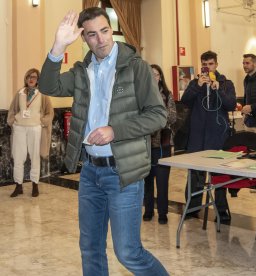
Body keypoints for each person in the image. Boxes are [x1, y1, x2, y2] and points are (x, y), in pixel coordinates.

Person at [38, 8, 168, 275]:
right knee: (90, 247)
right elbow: (48, 87)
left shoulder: (136, 67)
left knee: (128, 252)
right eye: (92, 35)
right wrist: (58, 46)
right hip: (90, 172)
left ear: (112, 30)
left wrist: (115, 130)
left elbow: (158, 116)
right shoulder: (81, 71)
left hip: (123, 172)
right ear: (84, 38)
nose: (101, 40)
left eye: (105, 31)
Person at [181, 50, 236, 221]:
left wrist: (218, 90)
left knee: (219, 176)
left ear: (216, 65)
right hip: (198, 136)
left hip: (218, 136)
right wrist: (197, 86)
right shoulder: (194, 83)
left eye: (211, 64)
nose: (207, 67)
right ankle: (192, 206)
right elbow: (185, 101)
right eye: (204, 65)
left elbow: (231, 104)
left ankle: (221, 209)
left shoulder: (226, 83)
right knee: (195, 174)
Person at [7, 68, 54, 198]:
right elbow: (12, 109)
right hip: (19, 128)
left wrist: (41, 121)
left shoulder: (42, 94)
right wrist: (12, 120)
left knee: (35, 157)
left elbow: (50, 113)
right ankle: (18, 186)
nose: (31, 79)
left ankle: (35, 185)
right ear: (26, 79)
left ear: (38, 79)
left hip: (35, 128)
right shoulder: (20, 93)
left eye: (33, 77)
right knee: (18, 157)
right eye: (28, 77)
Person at [143, 64, 177, 225]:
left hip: (163, 143)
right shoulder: (141, 95)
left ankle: (163, 212)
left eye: (156, 74)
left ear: (160, 77)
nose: (153, 77)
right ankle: (148, 210)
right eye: (150, 74)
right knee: (147, 180)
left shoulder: (167, 95)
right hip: (145, 144)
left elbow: (172, 118)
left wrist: (155, 120)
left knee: (162, 181)